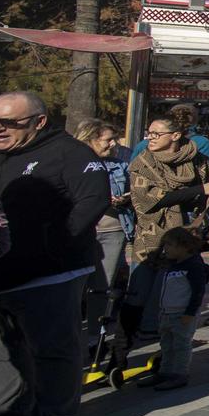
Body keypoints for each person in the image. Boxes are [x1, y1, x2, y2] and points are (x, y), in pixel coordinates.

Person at [0, 91, 112, 416]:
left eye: (10, 122)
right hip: (0, 273)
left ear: (39, 121)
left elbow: (93, 200)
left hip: (51, 274)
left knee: (52, 350)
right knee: (2, 351)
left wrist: (55, 245)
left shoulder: (71, 154)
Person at [74, 120, 133, 383]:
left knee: (103, 287)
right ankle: (72, 338)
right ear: (89, 139)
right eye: (107, 139)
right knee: (76, 289)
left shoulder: (120, 163)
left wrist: (125, 198)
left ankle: (94, 340)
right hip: (81, 232)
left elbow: (133, 191)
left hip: (112, 229)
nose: (113, 144)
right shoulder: (72, 162)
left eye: (114, 139)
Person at [123, 228, 209, 391]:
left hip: (182, 314)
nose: (166, 249)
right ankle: (165, 372)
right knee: (166, 344)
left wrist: (190, 313)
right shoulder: (171, 265)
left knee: (181, 345)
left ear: (184, 246)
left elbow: (197, 292)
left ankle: (179, 374)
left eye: (170, 245)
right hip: (166, 312)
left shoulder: (193, 266)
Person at [129, 113, 209, 268]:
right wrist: (201, 189)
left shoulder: (198, 159)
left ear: (175, 135)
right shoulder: (142, 163)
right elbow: (153, 200)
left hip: (190, 228)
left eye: (156, 134)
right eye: (149, 133)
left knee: (185, 280)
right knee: (144, 282)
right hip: (154, 230)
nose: (150, 138)